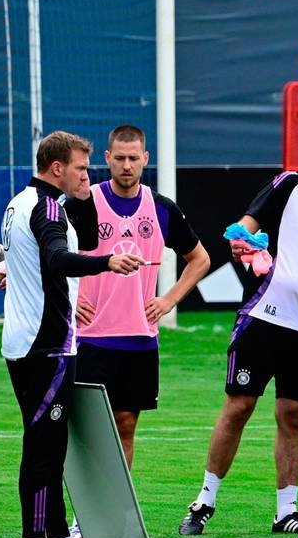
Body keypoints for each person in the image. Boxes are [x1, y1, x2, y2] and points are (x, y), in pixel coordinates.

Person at [179, 127, 298, 537]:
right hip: (263, 316)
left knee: (293, 415)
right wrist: (241, 241)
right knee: (239, 406)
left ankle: (287, 510)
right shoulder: (291, 184)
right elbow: (245, 224)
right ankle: (204, 501)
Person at [1, 131, 143, 538]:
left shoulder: (20, 203)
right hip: (44, 347)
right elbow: (57, 261)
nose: (87, 175)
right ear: (57, 168)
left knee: (55, 445)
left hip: (36, 342)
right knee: (43, 448)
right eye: (81, 167)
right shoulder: (46, 208)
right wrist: (107, 261)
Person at [67, 125, 210, 472]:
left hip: (139, 339)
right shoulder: (84, 203)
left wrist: (169, 300)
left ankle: (114, 518)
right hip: (90, 338)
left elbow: (200, 259)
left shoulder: (161, 208)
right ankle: (81, 520)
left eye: (134, 158)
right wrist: (70, 303)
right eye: (119, 158)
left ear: (145, 159)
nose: (127, 165)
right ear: (107, 158)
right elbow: (52, 257)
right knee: (88, 432)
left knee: (126, 426)